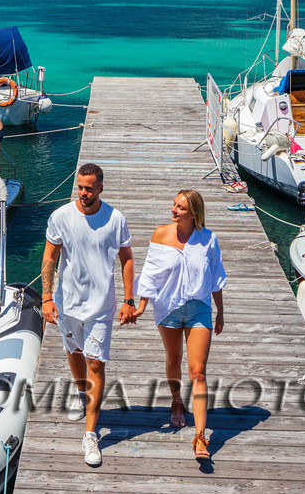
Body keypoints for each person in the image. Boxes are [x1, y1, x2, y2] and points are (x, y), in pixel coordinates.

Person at [41, 163, 136, 468]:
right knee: (75, 352)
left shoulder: (115, 219)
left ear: (100, 188)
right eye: (80, 187)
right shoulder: (61, 217)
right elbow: (50, 257)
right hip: (68, 302)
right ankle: (81, 392)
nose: (83, 193)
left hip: (101, 306)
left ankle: (90, 434)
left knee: (95, 362)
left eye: (89, 188)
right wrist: (46, 297)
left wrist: (129, 299)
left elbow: (127, 259)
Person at [133, 189, 225, 461]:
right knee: (173, 358)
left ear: (193, 213)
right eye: (174, 205)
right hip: (168, 307)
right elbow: (150, 275)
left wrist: (220, 311)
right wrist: (141, 306)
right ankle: (176, 400)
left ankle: (200, 436)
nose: (174, 210)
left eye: (181, 208)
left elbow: (216, 277)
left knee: (198, 371)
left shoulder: (208, 239)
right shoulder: (160, 234)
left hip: (199, 308)